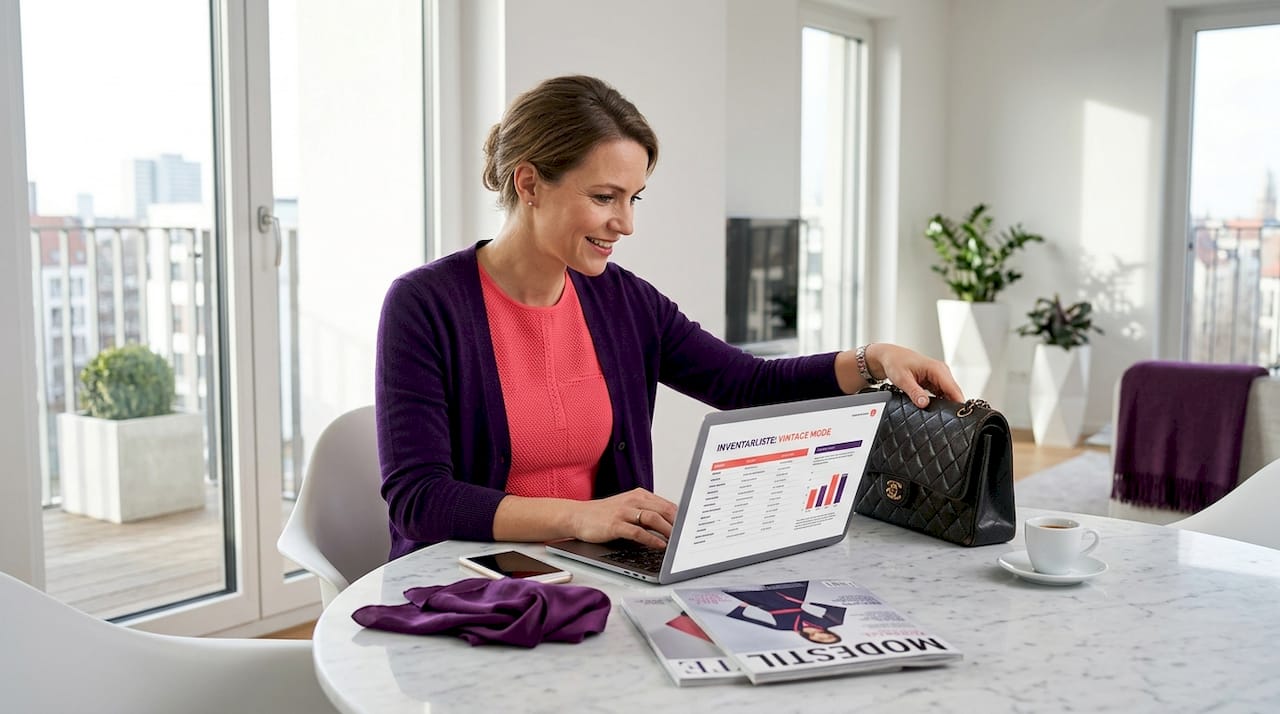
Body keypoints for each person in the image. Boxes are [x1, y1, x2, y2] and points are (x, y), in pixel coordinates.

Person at [375, 74, 961, 561]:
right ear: (529, 183)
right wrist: (581, 517)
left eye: (633, 198)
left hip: (598, 577)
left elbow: (745, 383)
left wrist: (873, 359)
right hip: (464, 586)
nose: (626, 224)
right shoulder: (425, 305)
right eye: (604, 197)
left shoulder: (625, 303)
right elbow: (418, 499)